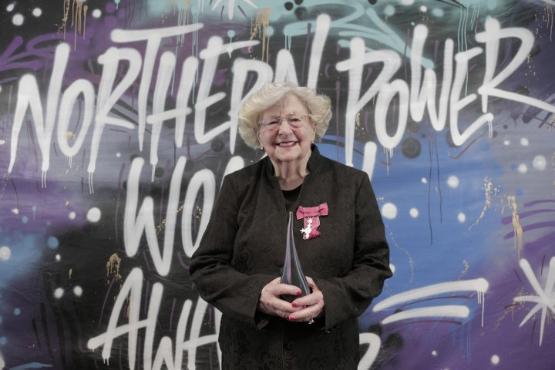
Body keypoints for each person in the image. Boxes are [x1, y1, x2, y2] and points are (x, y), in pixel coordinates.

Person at [189, 82, 392, 369]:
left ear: (313, 127)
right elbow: (206, 267)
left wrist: (329, 298)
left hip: (328, 355)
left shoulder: (352, 185)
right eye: (271, 122)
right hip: (250, 356)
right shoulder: (237, 187)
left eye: (295, 119)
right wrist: (257, 295)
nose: (284, 130)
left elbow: (374, 265)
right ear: (258, 135)